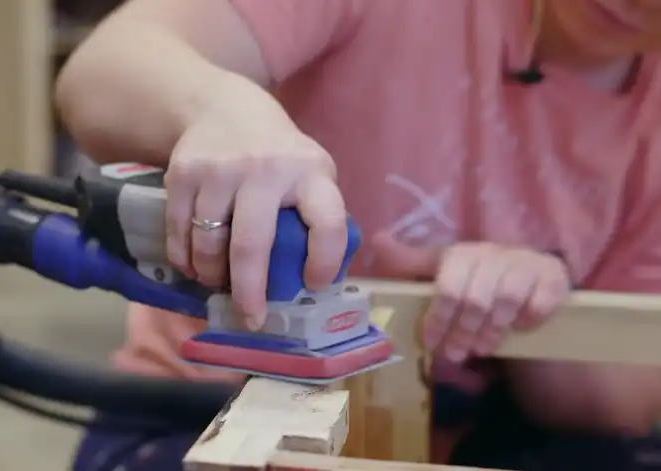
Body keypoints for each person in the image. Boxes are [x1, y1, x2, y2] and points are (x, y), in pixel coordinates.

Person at [55, 0, 661, 469]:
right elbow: (105, 71)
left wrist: (524, 303)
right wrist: (221, 113)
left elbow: (621, 403)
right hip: (207, 405)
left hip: (465, 426)